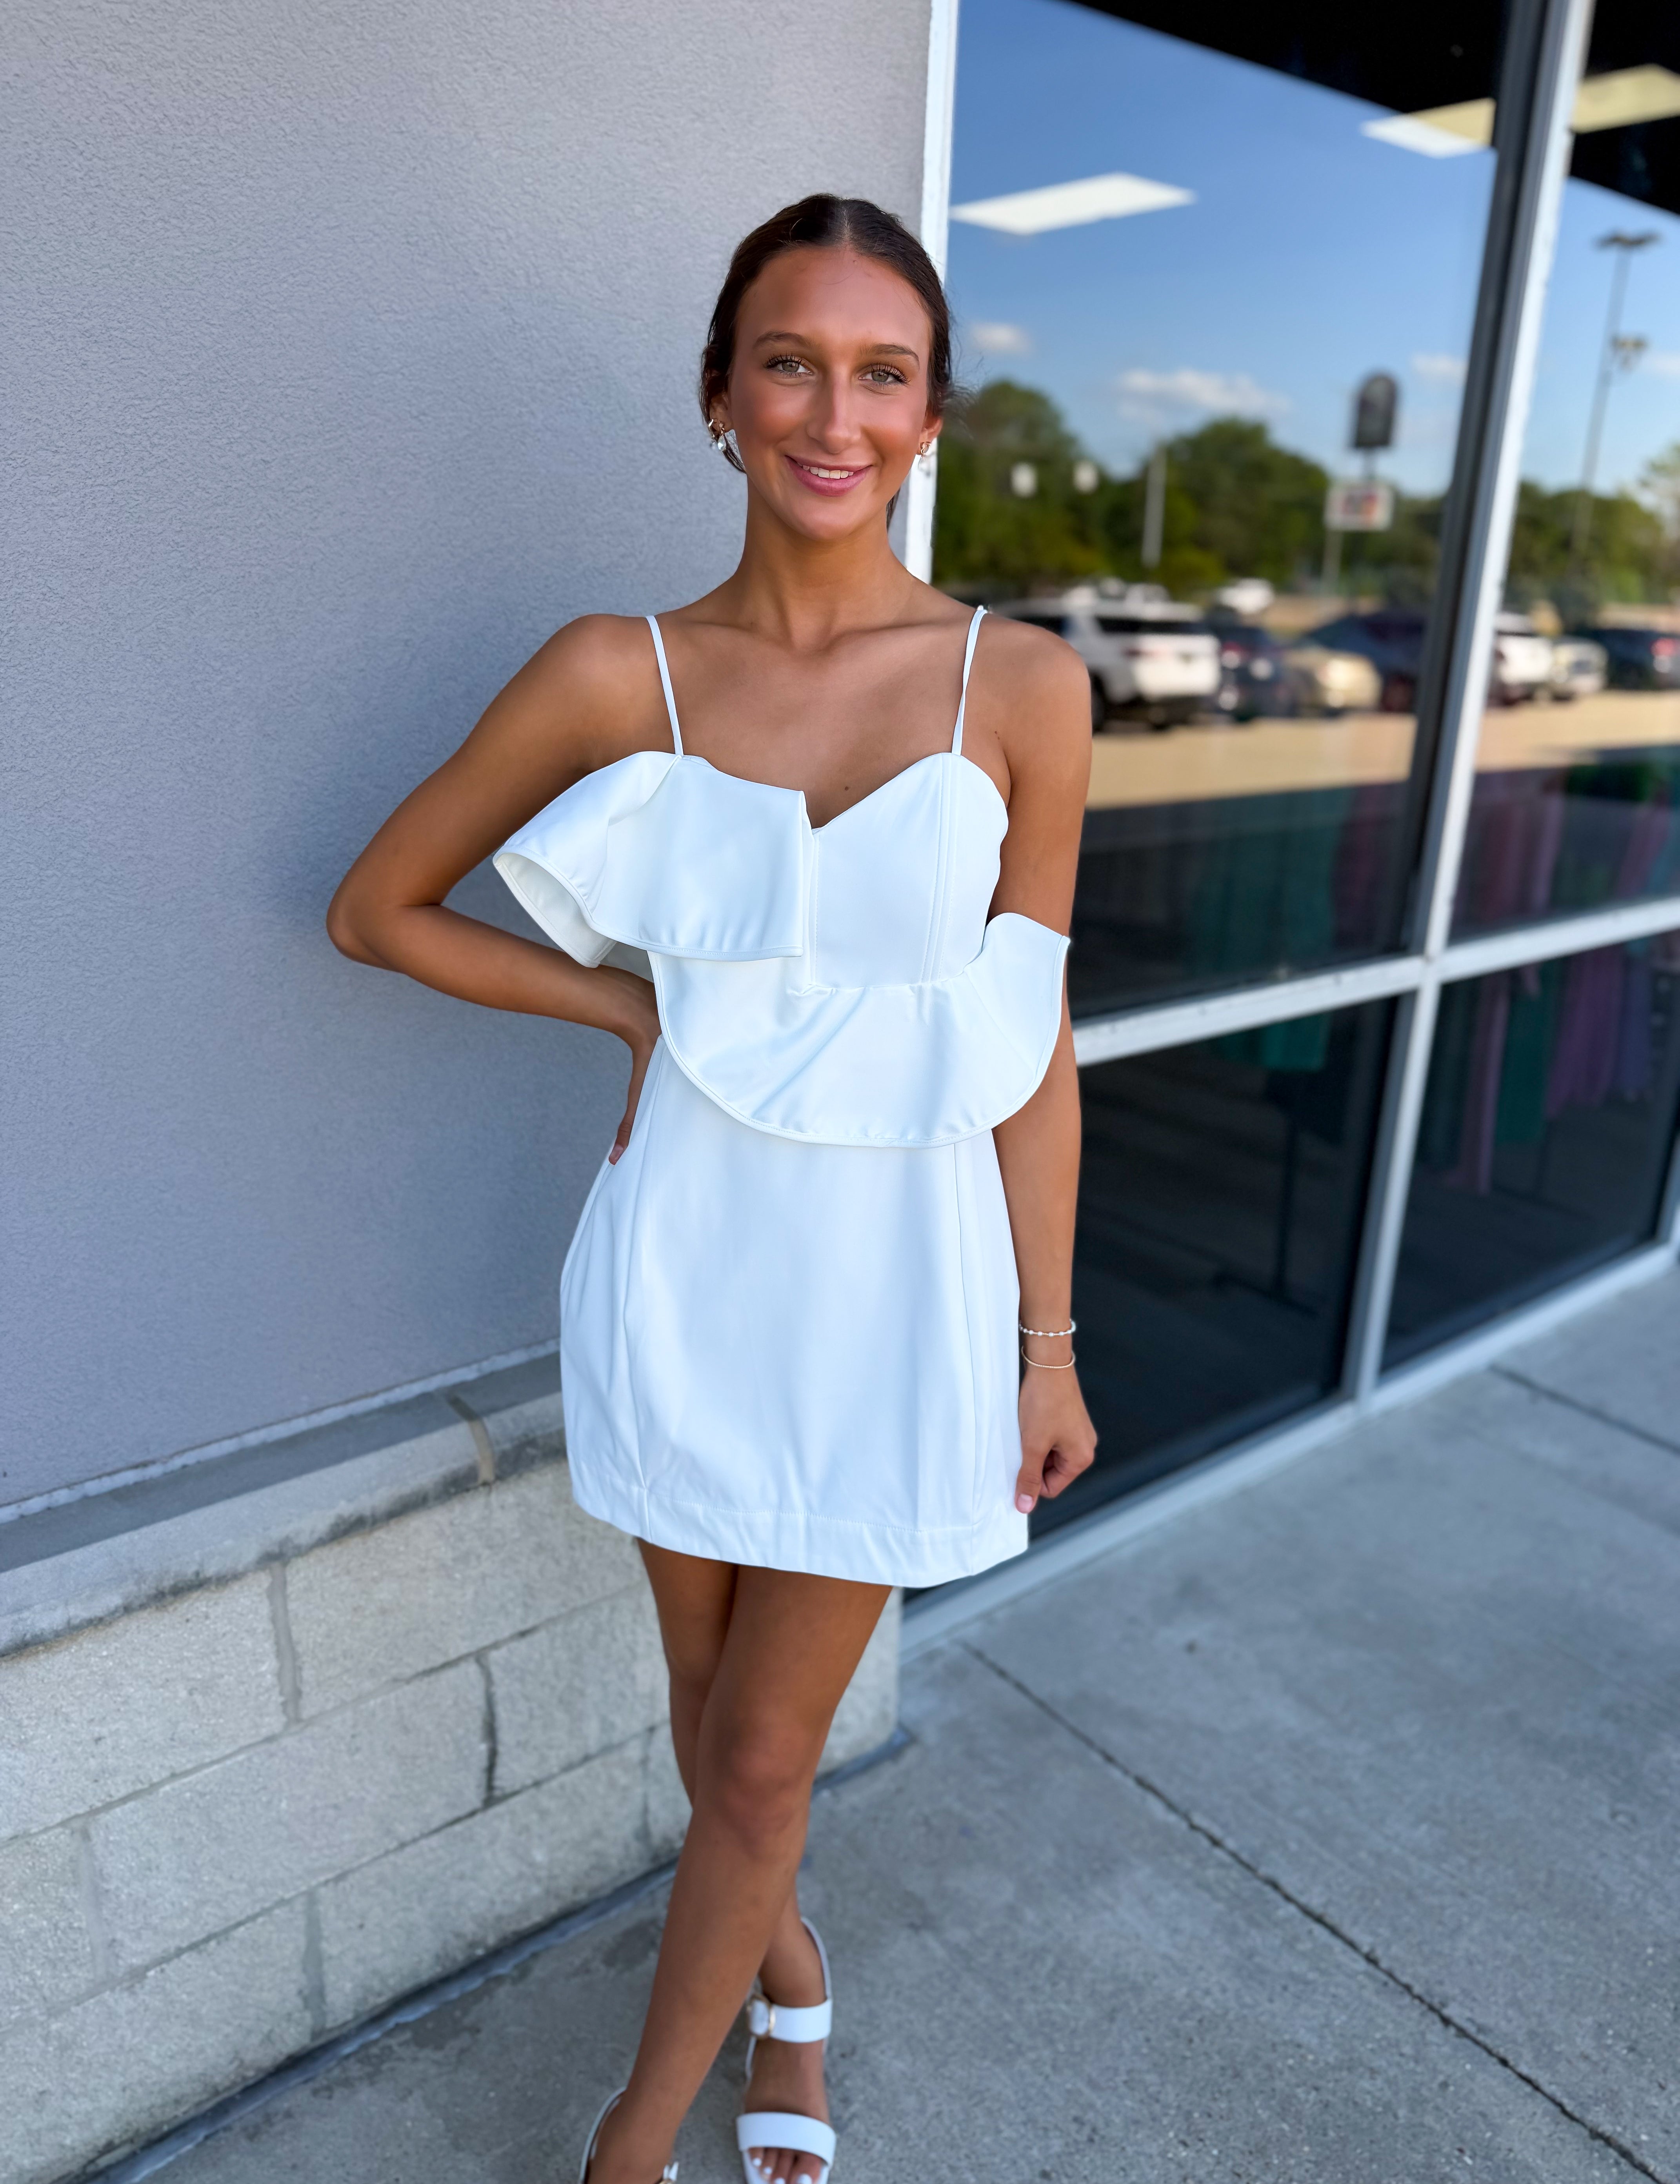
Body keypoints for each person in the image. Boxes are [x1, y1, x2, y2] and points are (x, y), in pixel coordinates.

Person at [328, 193, 1096, 2184]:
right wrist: (628, 1013)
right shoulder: (618, 672)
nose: (836, 415)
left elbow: (1030, 1044)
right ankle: (792, 1968)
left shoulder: (1022, 686)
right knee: (708, 1715)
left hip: (903, 1289)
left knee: (759, 1759)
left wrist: (1047, 1342)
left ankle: (632, 2140)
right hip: (686, 1257)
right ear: (720, 395)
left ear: (933, 416)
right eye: (792, 363)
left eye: (883, 373)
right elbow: (379, 908)